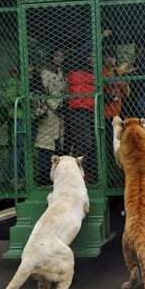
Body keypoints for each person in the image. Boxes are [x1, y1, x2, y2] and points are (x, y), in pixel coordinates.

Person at [34, 48, 66, 186]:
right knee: (44, 145)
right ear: (52, 57)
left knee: (57, 144)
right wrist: (54, 105)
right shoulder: (45, 73)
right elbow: (42, 93)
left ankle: (55, 177)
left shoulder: (61, 73)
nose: (60, 59)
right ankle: (42, 178)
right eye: (58, 55)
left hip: (60, 115)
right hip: (49, 113)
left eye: (62, 56)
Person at [65, 53, 97, 183]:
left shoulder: (89, 74)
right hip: (79, 110)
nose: (92, 61)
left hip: (88, 110)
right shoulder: (76, 73)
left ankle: (82, 172)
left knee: (89, 143)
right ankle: (74, 171)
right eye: (90, 58)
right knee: (85, 143)